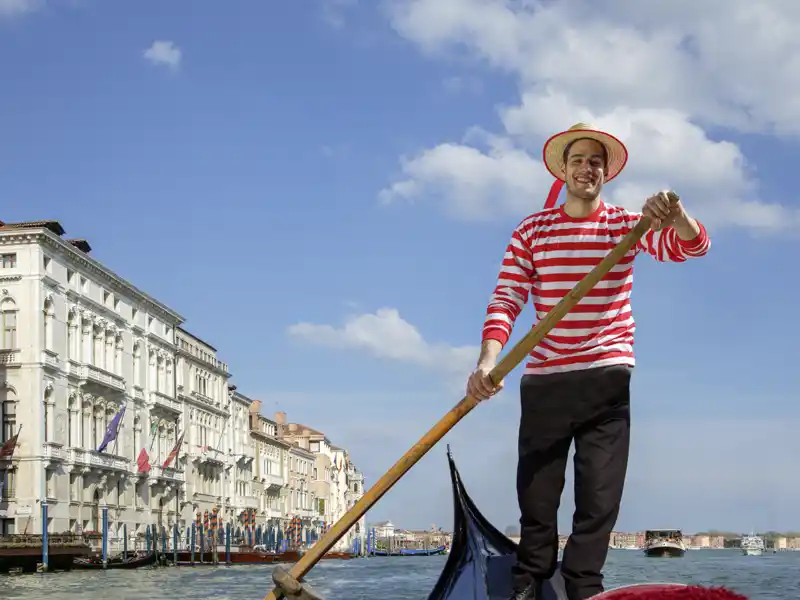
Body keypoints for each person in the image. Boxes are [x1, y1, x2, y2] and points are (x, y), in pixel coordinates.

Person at [465, 123, 711, 600]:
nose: (586, 168)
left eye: (595, 161)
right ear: (563, 168)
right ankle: (528, 587)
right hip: (545, 381)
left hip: (606, 377)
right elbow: (507, 298)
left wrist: (676, 214)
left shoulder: (625, 225)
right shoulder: (532, 230)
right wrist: (488, 361)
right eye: (577, 159)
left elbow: (691, 246)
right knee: (537, 501)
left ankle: (584, 589)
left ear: (605, 172)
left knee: (598, 501)